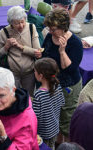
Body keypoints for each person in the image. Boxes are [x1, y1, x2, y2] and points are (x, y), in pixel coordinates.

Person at [42, 9, 83, 143]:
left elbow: (69, 69)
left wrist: (62, 51)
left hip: (68, 86)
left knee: (66, 119)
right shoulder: (49, 36)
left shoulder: (75, 43)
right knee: (54, 116)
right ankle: (57, 142)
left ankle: (65, 145)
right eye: (49, 28)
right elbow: (45, 53)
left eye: (53, 29)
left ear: (63, 27)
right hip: (53, 83)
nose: (50, 31)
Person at [0, 6, 42, 97]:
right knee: (13, 98)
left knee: (28, 98)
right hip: (12, 73)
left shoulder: (31, 28)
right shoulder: (4, 32)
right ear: (11, 23)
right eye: (17, 23)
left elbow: (38, 52)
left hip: (29, 72)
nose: (21, 26)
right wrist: (6, 47)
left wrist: (20, 47)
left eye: (22, 22)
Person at [32, 58, 65, 150]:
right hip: (55, 128)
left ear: (41, 75)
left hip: (43, 133)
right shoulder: (57, 86)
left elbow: (35, 116)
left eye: (34, 71)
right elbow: (62, 103)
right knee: (52, 147)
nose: (34, 73)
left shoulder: (39, 94)